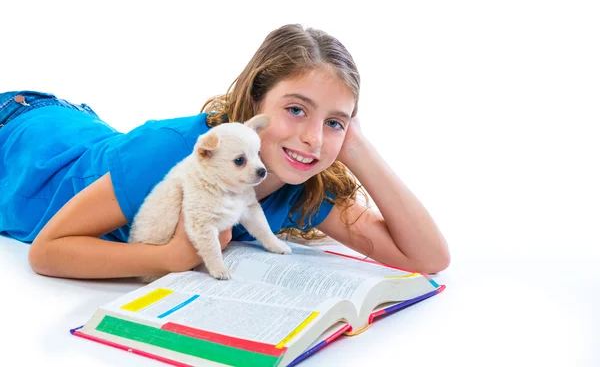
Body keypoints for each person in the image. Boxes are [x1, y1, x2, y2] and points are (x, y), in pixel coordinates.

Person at [0, 24, 450, 280]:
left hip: (77, 132)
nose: (314, 137)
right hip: (19, 134)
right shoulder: (176, 153)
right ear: (255, 102)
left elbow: (428, 259)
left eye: (334, 121)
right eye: (296, 109)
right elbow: (47, 251)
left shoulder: (299, 183)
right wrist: (168, 258)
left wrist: (355, 147)